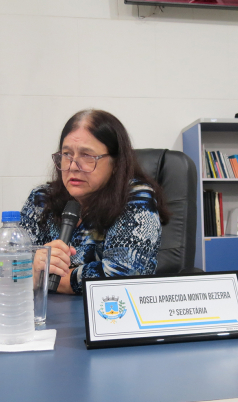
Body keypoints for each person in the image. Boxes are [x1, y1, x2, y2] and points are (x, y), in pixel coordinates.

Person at [20, 109, 170, 295]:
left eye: (87, 156)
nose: (73, 166)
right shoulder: (41, 198)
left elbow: (121, 275)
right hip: (45, 311)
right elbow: (7, 272)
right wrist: (31, 271)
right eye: (67, 154)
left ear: (116, 163)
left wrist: (39, 277)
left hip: (113, 309)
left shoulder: (136, 198)